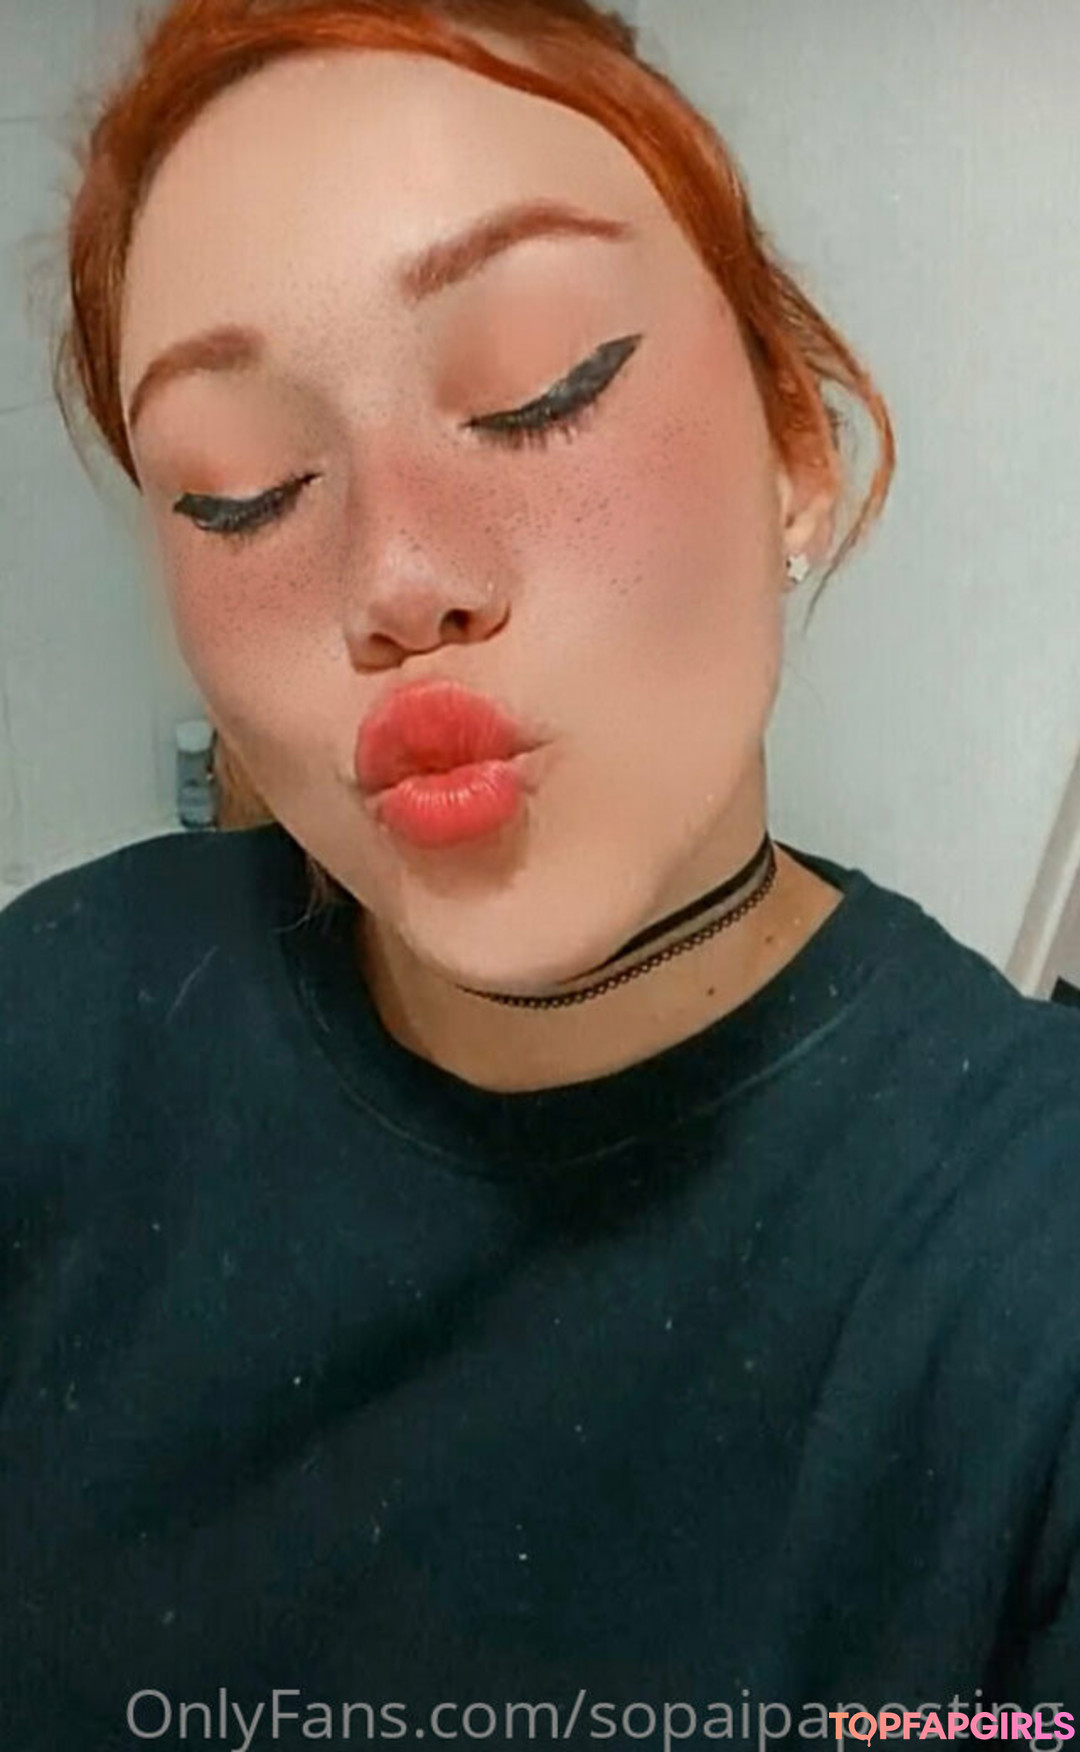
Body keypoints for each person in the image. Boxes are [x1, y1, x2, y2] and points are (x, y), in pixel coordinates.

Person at [2, 1, 1079, 1746]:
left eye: (538, 386)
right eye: (240, 491)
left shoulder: (1024, 1272)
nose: (398, 578)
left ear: (796, 447)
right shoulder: (55, 1020)